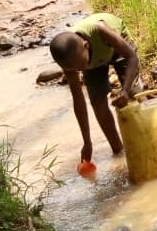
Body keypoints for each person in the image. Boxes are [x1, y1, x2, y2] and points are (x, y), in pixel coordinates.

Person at [49, 13, 140, 163]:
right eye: (74, 69)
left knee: (135, 96)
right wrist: (87, 142)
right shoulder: (71, 61)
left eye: (80, 65)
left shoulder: (101, 31)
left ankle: (144, 141)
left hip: (117, 49)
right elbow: (78, 101)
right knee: (98, 103)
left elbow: (132, 58)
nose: (79, 70)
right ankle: (119, 153)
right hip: (94, 61)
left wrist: (125, 90)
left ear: (86, 45)